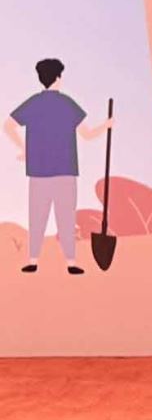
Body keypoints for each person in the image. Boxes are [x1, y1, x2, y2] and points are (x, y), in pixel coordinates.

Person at [5, 59, 113, 274]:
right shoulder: (67, 104)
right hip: (65, 171)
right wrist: (106, 125)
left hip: (38, 172)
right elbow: (87, 134)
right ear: (58, 77)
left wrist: (25, 149)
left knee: (37, 217)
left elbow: (8, 126)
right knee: (66, 218)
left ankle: (33, 261)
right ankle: (71, 263)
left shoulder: (34, 103)